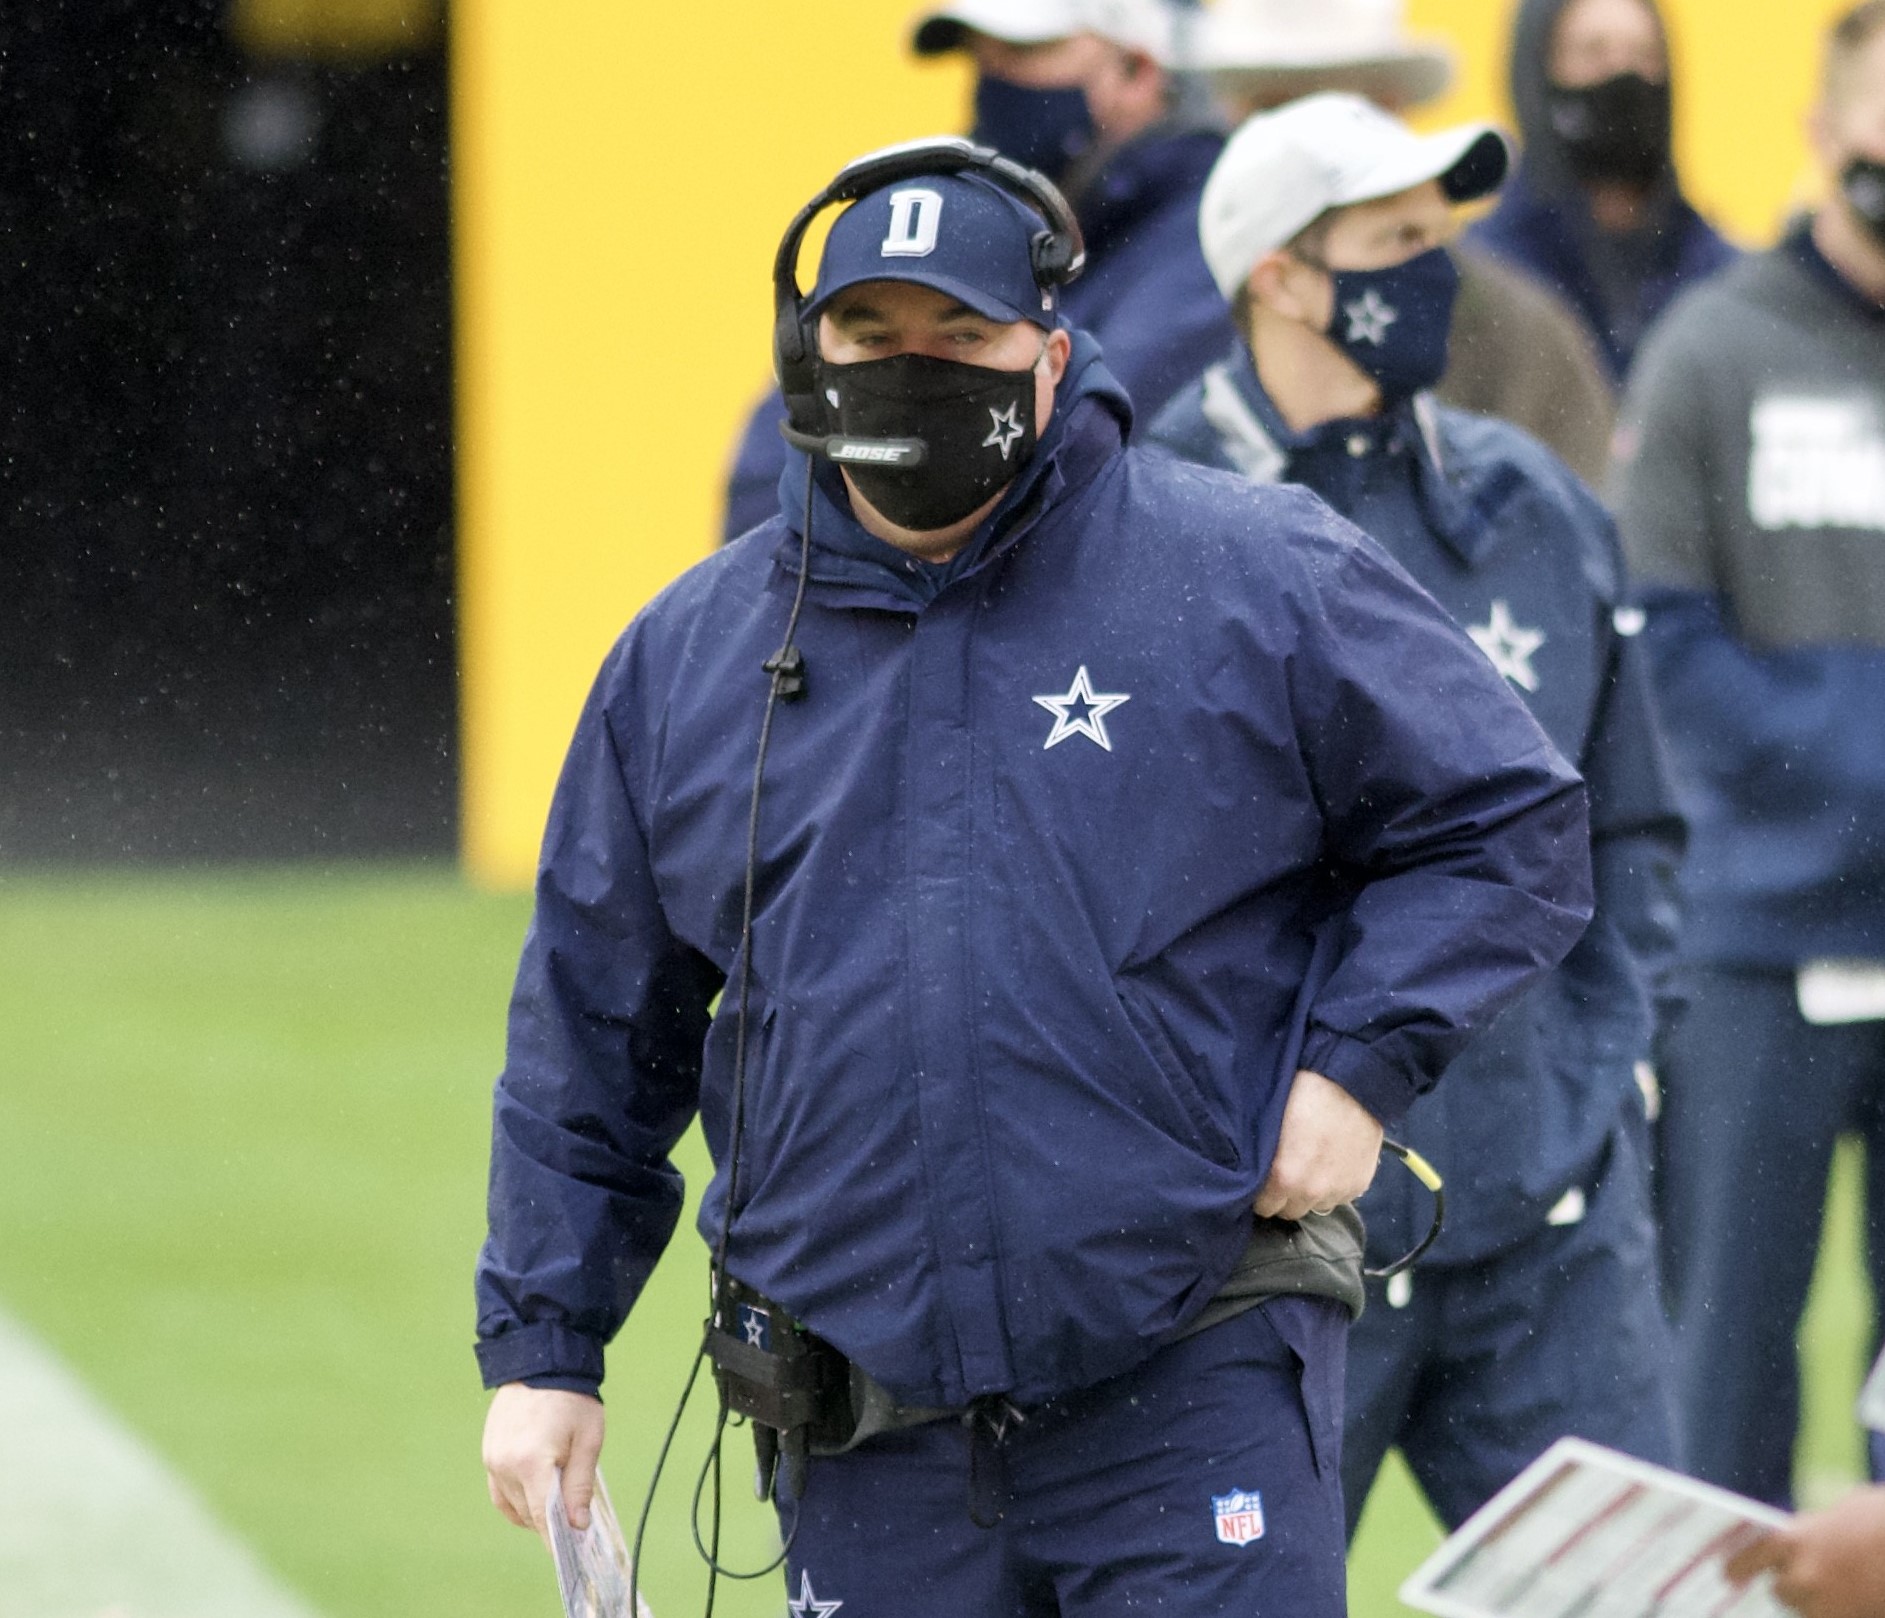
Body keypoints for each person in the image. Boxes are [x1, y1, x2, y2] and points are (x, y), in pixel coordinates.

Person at [478, 138, 1595, 1615]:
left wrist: (1358, 1067)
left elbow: (1505, 818)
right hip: (861, 1431)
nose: (914, 368)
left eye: (962, 334)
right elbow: (592, 1027)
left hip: (1193, 1377)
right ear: (806, 358)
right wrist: (546, 1349)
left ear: (1052, 357)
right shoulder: (686, 660)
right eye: (872, 335)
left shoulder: (1248, 570)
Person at [1146, 91, 1685, 1537]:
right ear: (1277, 276)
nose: (1435, 272)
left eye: (1435, 237)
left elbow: (1628, 823)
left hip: (1554, 1236)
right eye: (1392, 242)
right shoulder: (1141, 520)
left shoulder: (1530, 503)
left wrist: (1607, 1067)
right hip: (1259, 1256)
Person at [1610, 0, 1885, 1509]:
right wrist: (1851, 763)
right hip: (1753, 948)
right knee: (1724, 1363)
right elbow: (1660, 630)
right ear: (1825, 132)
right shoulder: (1712, 350)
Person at [720, 0, 1237, 542]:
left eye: (1023, 51)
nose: (993, 81)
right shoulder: (960, 213)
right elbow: (770, 488)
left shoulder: (1216, 235)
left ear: (1138, 70)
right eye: (977, 55)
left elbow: (1078, 463)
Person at [1186, 0, 1619, 488]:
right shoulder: (1166, 325)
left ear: (1393, 106)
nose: (1299, 142)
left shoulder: (1523, 340)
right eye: (1276, 107)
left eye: (1346, 112)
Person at [1470, 0, 1735, 384]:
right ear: (1537, 75)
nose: (1623, 75)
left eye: (1644, 55)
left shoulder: (1719, 274)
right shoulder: (1486, 273)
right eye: (1592, 52)